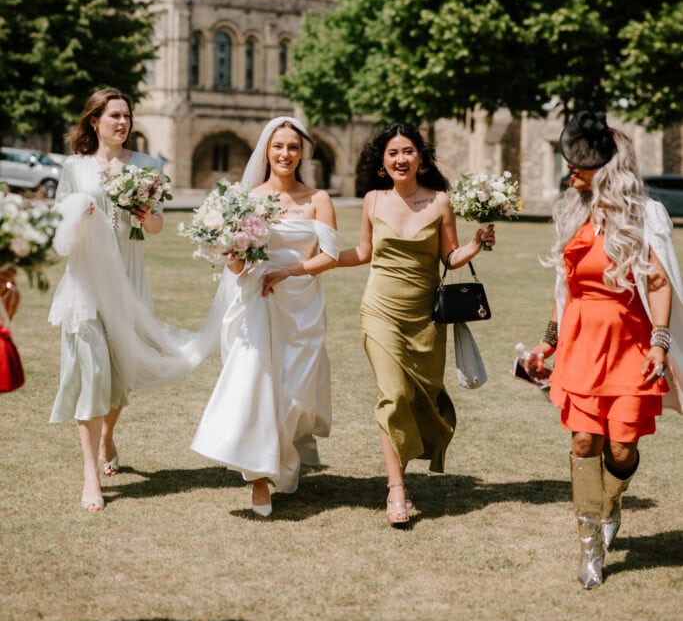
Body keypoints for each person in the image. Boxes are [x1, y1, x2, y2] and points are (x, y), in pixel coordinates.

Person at [526, 111, 683, 588]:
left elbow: (658, 282)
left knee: (620, 447)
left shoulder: (645, 215)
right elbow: (564, 287)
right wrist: (547, 341)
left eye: (581, 164)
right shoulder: (571, 212)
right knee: (582, 440)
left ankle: (612, 500)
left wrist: (659, 344)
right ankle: (590, 543)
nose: (571, 172)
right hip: (581, 342)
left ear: (608, 166)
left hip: (631, 343)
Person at [337, 123, 496, 526]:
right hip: (379, 311)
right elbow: (362, 251)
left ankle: (404, 470)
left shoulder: (440, 202)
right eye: (393, 153)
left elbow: (450, 257)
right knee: (392, 394)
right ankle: (396, 490)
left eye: (407, 151)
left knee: (416, 396)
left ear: (420, 158)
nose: (400, 159)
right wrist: (315, 261)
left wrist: (476, 244)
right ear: (383, 162)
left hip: (424, 317)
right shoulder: (373, 200)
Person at [191, 116, 339, 517]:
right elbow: (236, 265)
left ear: (302, 152)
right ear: (267, 151)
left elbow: (330, 256)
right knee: (254, 382)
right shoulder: (249, 198)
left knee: (294, 394)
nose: (285, 154)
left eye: (292, 147)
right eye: (278, 146)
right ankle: (257, 476)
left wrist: (289, 271)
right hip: (258, 298)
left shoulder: (318, 199)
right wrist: (232, 253)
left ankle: (284, 458)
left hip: (302, 303)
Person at [49, 88, 165, 511]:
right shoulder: (75, 168)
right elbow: (57, 225)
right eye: (114, 115)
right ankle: (90, 476)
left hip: (128, 278)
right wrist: (79, 213)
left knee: (121, 376)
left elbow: (156, 227)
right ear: (94, 121)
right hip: (88, 280)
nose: (122, 123)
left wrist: (146, 215)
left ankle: (109, 435)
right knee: (93, 373)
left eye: (127, 116)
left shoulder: (148, 166)